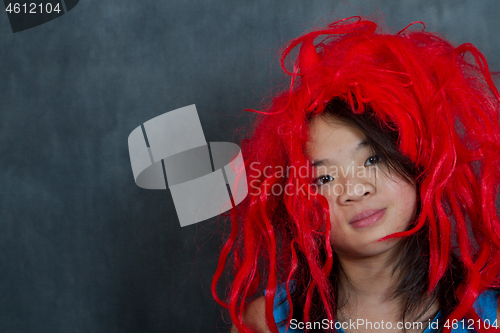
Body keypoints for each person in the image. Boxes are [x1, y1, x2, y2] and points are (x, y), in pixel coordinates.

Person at [211, 17, 500, 333]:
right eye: (324, 178)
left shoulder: (489, 316)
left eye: (372, 159)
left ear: (417, 164)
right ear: (297, 204)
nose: (355, 190)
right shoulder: (267, 324)